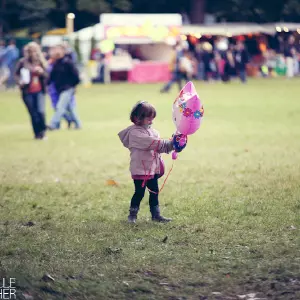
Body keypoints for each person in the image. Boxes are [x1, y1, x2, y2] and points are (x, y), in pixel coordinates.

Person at [118, 101, 175, 223]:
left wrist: (174, 143)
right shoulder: (134, 133)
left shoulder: (154, 132)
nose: (151, 121)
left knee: (154, 192)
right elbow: (152, 143)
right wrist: (169, 143)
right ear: (137, 118)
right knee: (139, 193)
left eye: (152, 118)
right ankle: (132, 215)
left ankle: (156, 215)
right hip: (140, 168)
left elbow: (160, 147)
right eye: (148, 119)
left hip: (152, 169)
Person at [15, 42, 48, 140]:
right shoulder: (22, 62)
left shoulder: (41, 62)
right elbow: (16, 74)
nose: (33, 53)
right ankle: (37, 133)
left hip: (40, 90)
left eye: (35, 51)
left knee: (41, 111)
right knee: (33, 113)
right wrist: (20, 82)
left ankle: (43, 131)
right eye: (31, 51)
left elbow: (48, 76)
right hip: (27, 91)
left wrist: (42, 72)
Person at [47, 44, 81, 130]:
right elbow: (51, 77)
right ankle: (78, 124)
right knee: (70, 108)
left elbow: (76, 76)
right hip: (59, 89)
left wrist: (73, 86)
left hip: (68, 88)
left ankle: (53, 124)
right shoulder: (56, 63)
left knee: (60, 106)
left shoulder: (68, 62)